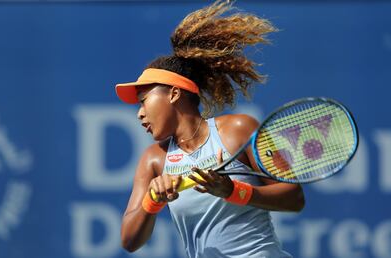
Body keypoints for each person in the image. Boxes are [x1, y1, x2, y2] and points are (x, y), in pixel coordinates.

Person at [116, 1, 305, 257]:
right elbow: (129, 240)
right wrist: (153, 199)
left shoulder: (239, 129)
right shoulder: (153, 160)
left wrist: (232, 191)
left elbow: (294, 198)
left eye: (143, 101)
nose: (139, 113)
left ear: (173, 94)